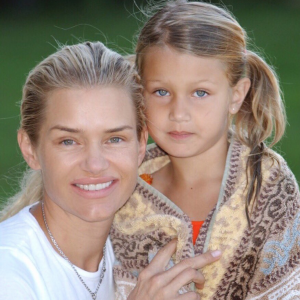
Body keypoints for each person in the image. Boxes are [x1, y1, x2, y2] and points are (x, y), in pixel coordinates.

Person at [0, 41, 221, 300]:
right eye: (69, 141)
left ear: (140, 145)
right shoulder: (10, 270)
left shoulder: (139, 246)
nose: (95, 164)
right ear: (30, 149)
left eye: (114, 139)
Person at [110, 1, 300, 299]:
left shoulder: (269, 186)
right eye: (161, 92)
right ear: (140, 92)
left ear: (236, 96)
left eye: (200, 93)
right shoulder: (122, 189)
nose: (179, 113)